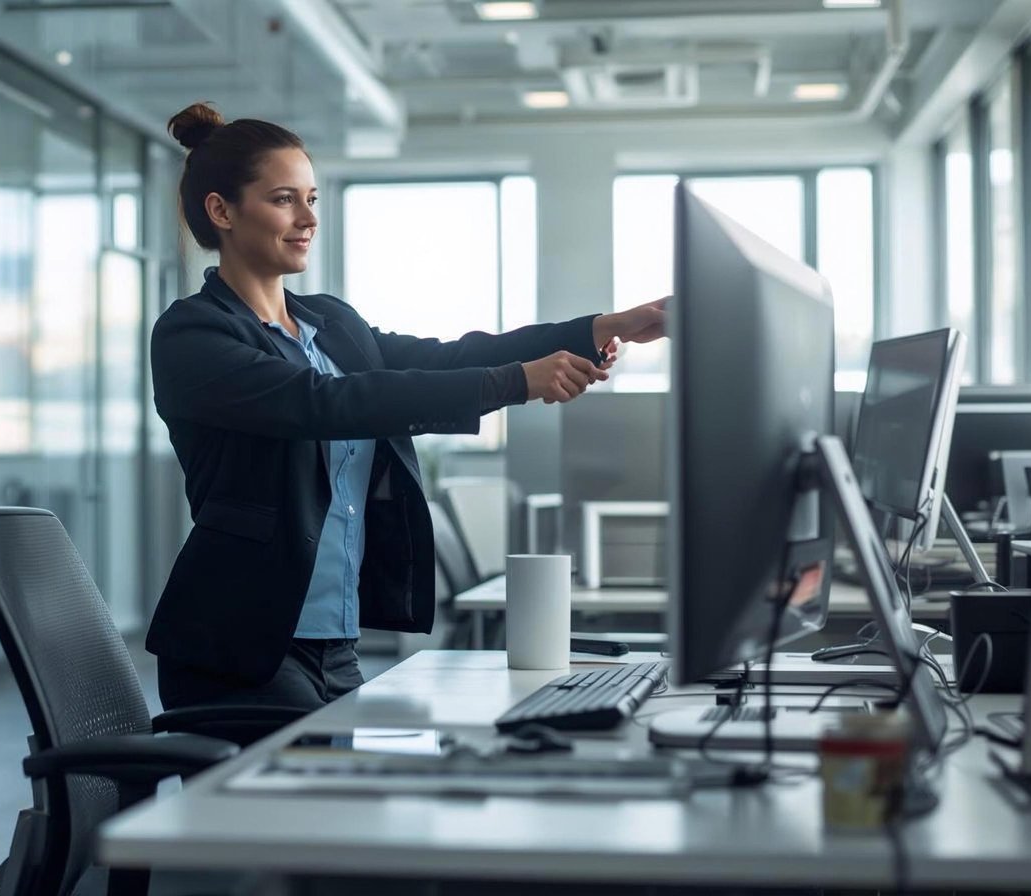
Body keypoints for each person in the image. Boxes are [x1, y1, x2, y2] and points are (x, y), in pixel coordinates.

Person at [148, 102, 669, 712]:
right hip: (241, 648)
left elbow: (447, 359)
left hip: (338, 648)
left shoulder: (332, 324)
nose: (308, 217)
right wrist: (514, 383)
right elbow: (322, 404)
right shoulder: (192, 335)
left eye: (313, 198)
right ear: (222, 210)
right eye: (285, 199)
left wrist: (604, 326)